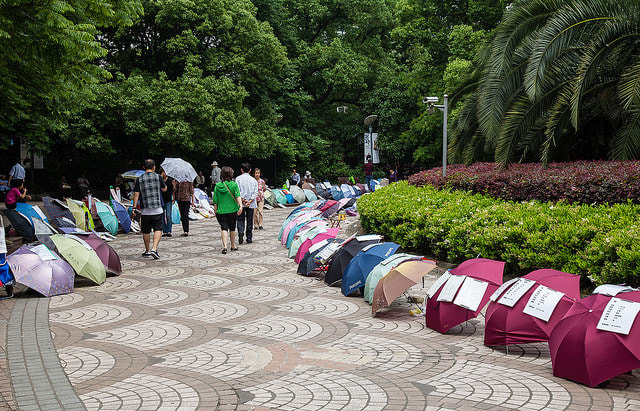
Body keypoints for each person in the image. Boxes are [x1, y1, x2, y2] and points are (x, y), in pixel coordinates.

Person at [132, 159, 167, 259]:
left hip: (145, 210)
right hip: (157, 209)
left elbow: (136, 194)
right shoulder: (158, 177)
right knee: (158, 229)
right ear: (154, 167)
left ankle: (147, 250)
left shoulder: (139, 179)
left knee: (146, 231)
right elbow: (164, 189)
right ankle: (154, 249)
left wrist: (134, 207)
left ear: (143, 167)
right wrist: (163, 181)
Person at [212, 166, 243, 254]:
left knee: (224, 228)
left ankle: (225, 246)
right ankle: (232, 245)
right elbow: (238, 196)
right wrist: (240, 206)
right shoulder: (234, 185)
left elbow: (215, 200)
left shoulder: (217, 186)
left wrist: (215, 210)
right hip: (233, 210)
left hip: (221, 211)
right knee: (232, 228)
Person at [236, 162, 258, 244]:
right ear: (250, 170)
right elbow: (256, 192)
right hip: (251, 204)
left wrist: (243, 200)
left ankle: (240, 232)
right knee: (250, 220)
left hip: (241, 203)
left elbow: (237, 191)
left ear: (241, 170)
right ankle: (249, 237)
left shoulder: (238, 179)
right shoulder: (254, 180)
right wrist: (250, 200)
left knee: (240, 219)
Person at [160, 169, 175, 237]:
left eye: (164, 172)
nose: (164, 174)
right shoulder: (159, 180)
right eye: (162, 172)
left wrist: (173, 198)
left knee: (168, 215)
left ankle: (169, 230)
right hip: (161, 200)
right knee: (162, 216)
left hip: (168, 199)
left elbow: (172, 190)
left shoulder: (170, 180)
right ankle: (164, 231)